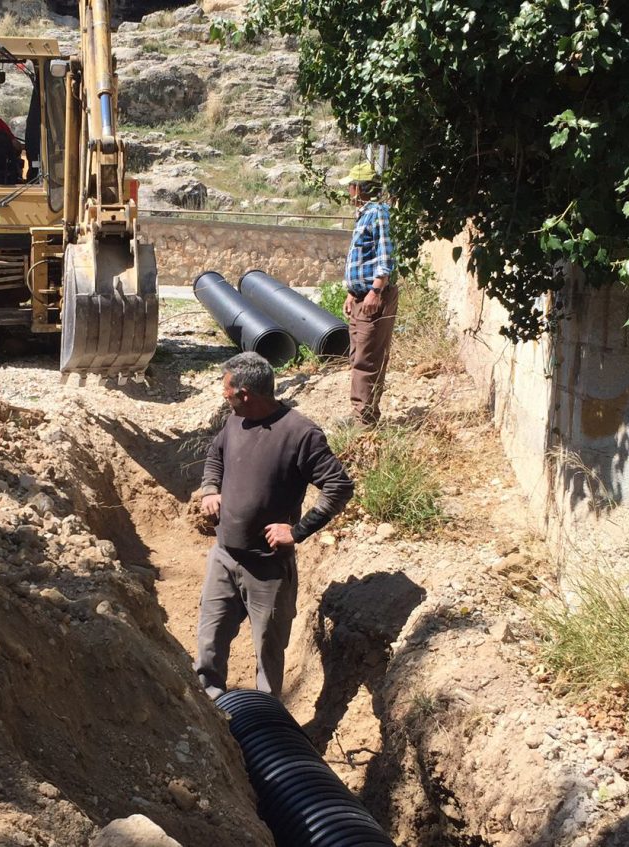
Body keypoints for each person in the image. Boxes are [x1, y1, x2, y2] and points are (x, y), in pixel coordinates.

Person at [195, 352, 354, 701]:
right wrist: (210, 489)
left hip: (267, 568)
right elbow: (215, 455)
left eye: (227, 390)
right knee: (208, 646)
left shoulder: (300, 433)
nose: (224, 395)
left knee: (268, 652)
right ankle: (211, 720)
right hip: (223, 558)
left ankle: (267, 727)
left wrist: (296, 532)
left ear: (246, 393)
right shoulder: (235, 421)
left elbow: (339, 486)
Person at [339, 161, 398, 427]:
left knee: (367, 359)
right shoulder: (363, 215)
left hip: (374, 298)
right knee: (358, 356)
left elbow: (384, 257)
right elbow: (363, 259)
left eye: (351, 186)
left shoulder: (377, 213)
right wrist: (353, 292)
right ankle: (361, 414)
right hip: (361, 297)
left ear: (358, 189)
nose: (349, 191)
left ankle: (365, 423)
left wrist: (375, 290)